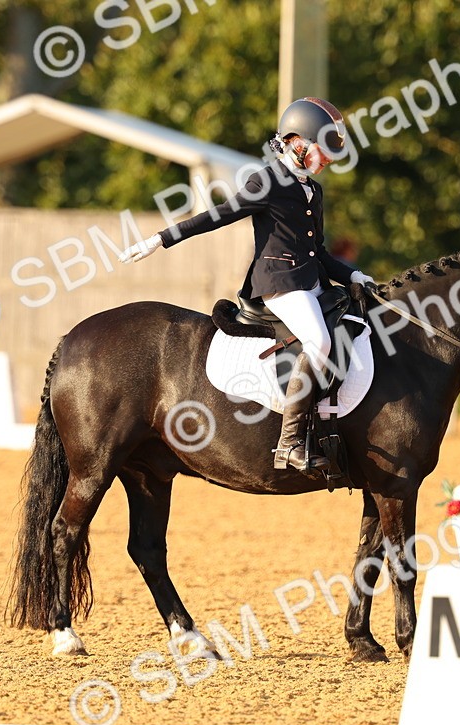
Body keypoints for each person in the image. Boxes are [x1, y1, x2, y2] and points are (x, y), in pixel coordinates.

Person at [120, 97, 375, 475]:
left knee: (353, 322)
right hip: (279, 284)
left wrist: (352, 275)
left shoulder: (313, 191)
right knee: (319, 341)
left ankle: (330, 425)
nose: (329, 161)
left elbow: (317, 250)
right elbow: (217, 216)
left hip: (311, 281)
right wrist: (161, 239)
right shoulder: (266, 180)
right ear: (297, 142)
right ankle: (289, 443)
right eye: (323, 153)